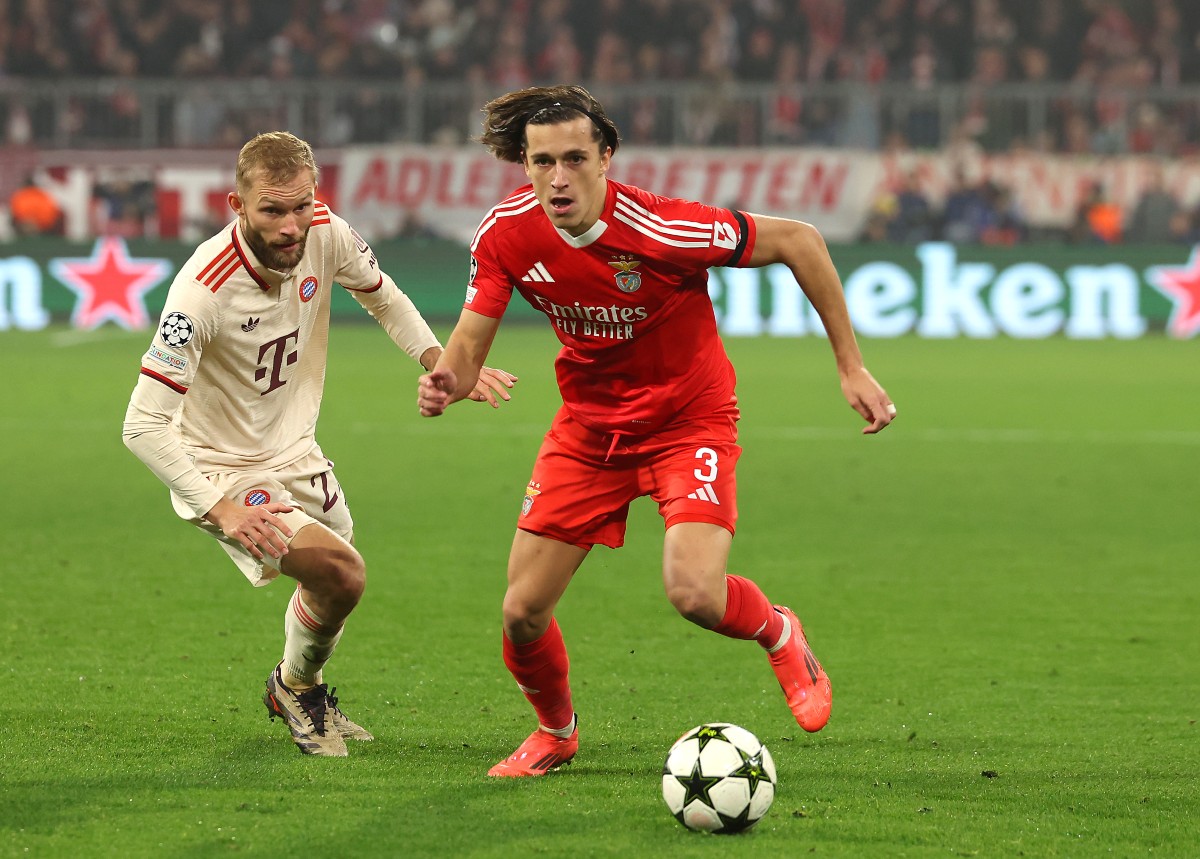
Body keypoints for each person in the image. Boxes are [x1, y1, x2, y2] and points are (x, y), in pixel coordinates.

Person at [417, 85, 896, 778]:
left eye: (575, 158)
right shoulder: (503, 235)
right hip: (589, 429)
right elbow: (463, 358)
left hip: (686, 421)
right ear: (523, 164)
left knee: (694, 592)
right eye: (542, 160)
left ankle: (779, 629)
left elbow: (801, 240)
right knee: (521, 611)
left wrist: (851, 366)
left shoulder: (664, 227)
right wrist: (446, 381)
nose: (559, 177)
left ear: (606, 157)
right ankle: (556, 731)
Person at [122, 131, 516, 757]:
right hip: (221, 469)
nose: (290, 226)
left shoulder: (326, 232)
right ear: (237, 205)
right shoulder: (200, 293)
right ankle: (298, 689)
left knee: (330, 584)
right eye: (272, 210)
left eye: (301, 206)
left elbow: (382, 296)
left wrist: (440, 360)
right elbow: (142, 425)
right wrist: (218, 508)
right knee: (343, 573)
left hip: (296, 450)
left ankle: (295, 686)